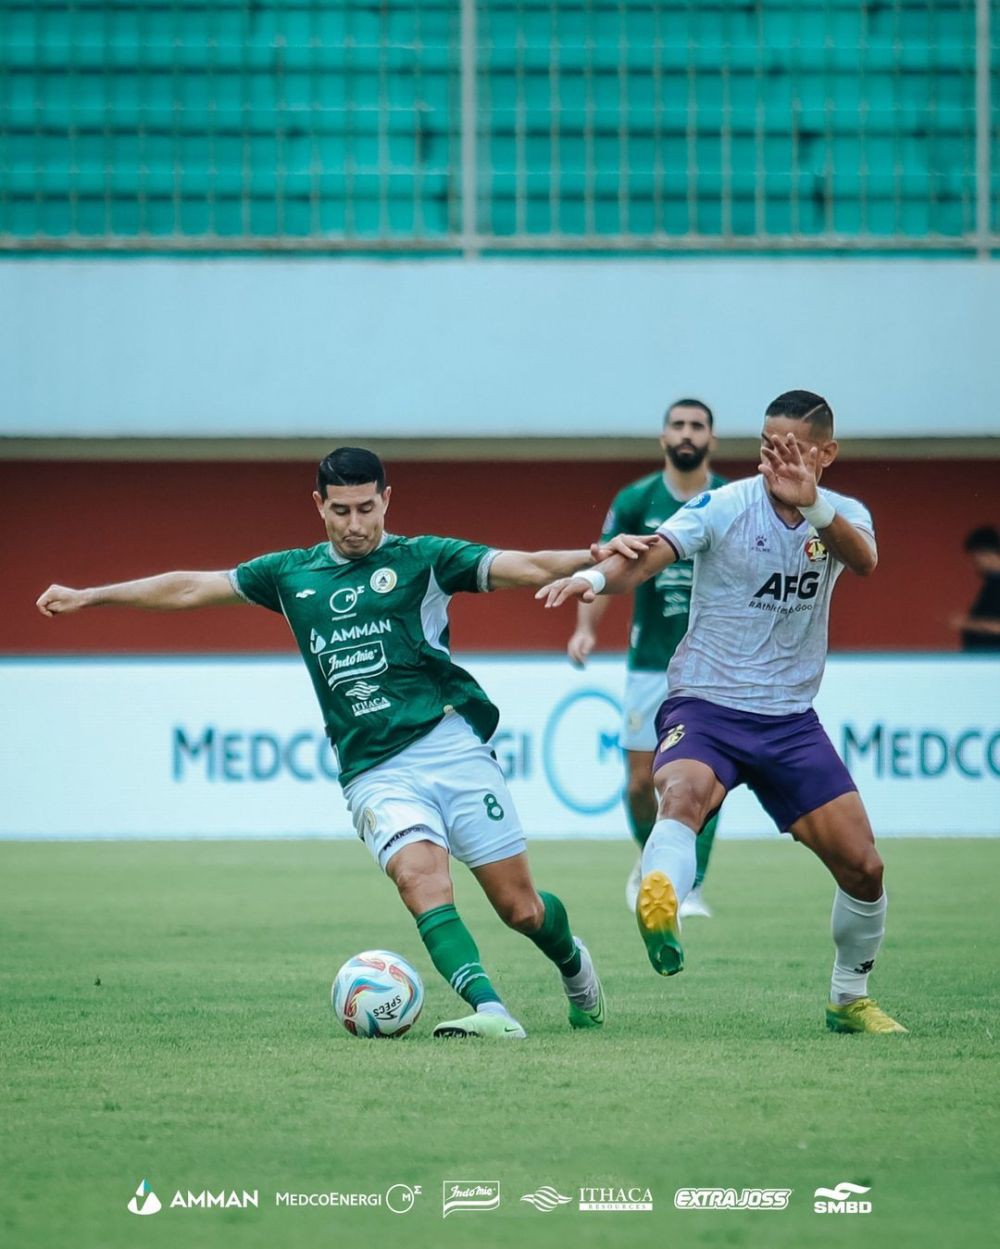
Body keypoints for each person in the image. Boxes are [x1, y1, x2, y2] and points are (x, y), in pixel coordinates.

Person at [36, 447, 646, 1041]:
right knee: (420, 880)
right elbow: (194, 587)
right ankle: (491, 1009)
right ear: (318, 507)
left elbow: (528, 565)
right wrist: (93, 596)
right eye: (341, 511)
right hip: (372, 769)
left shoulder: (425, 559)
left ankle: (574, 968)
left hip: (449, 746)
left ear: (386, 501)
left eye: (365, 509)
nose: (355, 525)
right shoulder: (289, 574)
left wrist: (591, 557)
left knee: (522, 910)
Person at [537, 391, 906, 1034]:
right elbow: (648, 556)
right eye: (766, 445)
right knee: (678, 796)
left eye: (790, 448)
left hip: (790, 721)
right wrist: (596, 582)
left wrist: (812, 500)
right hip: (706, 705)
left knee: (865, 867)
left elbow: (868, 562)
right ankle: (663, 904)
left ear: (826, 453)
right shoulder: (723, 505)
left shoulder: (842, 515)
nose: (774, 460)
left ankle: (849, 998)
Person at [566, 398, 726, 916]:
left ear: (711, 439)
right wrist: (585, 630)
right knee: (640, 784)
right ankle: (654, 865)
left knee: (707, 782)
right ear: (663, 438)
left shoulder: (731, 498)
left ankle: (690, 884)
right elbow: (606, 568)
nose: (687, 433)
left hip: (715, 667)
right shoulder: (637, 499)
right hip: (650, 663)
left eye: (697, 426)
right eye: (677, 425)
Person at [952, 525, 1000, 652]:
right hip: (984, 661)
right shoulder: (991, 584)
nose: (976, 565)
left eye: (976, 560)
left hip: (992, 663)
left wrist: (968, 624)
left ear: (988, 555)